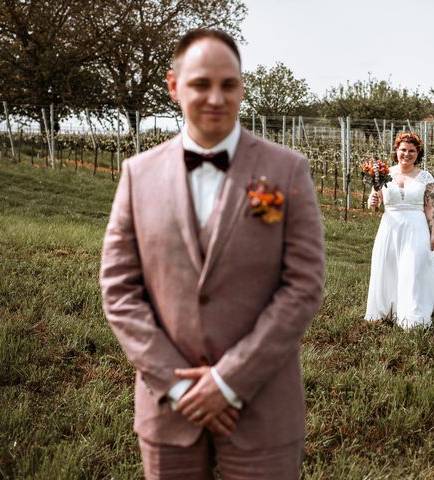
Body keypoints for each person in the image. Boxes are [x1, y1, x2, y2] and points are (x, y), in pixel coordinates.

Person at [99, 28, 324, 479]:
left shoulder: (287, 170)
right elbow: (119, 289)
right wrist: (179, 388)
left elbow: (303, 285)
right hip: (168, 410)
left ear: (242, 87)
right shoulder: (137, 175)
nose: (216, 98)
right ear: (173, 86)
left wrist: (228, 381)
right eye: (201, 84)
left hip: (262, 409)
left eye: (229, 84)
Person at [364, 131, 434, 328]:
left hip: (416, 228)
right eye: (403, 150)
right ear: (396, 151)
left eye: (412, 151)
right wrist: (372, 201)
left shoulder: (425, 177)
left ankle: (412, 315)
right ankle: (386, 310)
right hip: (390, 228)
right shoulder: (383, 173)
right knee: (388, 268)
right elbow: (374, 204)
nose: (407, 154)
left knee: (413, 270)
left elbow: (430, 208)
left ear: (418, 153)